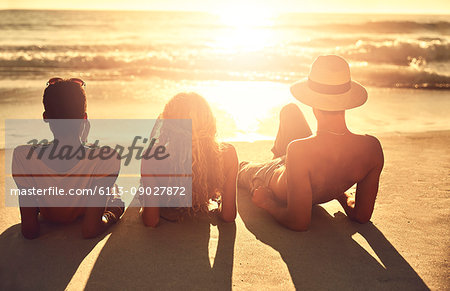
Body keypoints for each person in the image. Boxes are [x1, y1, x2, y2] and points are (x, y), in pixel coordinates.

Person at [238, 55, 384, 231]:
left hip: (272, 174)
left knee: (241, 167)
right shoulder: (372, 148)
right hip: (302, 163)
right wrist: (341, 194)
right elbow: (361, 216)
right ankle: (278, 158)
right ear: (346, 101)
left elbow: (298, 222)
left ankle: (273, 161)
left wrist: (267, 202)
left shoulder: (300, 150)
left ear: (313, 103)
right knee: (290, 111)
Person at [12, 78, 124, 239]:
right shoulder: (107, 158)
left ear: (45, 116)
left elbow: (29, 230)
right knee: (113, 189)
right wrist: (113, 213)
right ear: (84, 118)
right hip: (84, 210)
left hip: (48, 214)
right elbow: (90, 230)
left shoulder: (23, 156)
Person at [140, 92, 238, 226]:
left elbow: (151, 221)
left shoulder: (152, 158)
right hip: (200, 199)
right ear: (209, 120)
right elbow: (228, 216)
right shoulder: (227, 153)